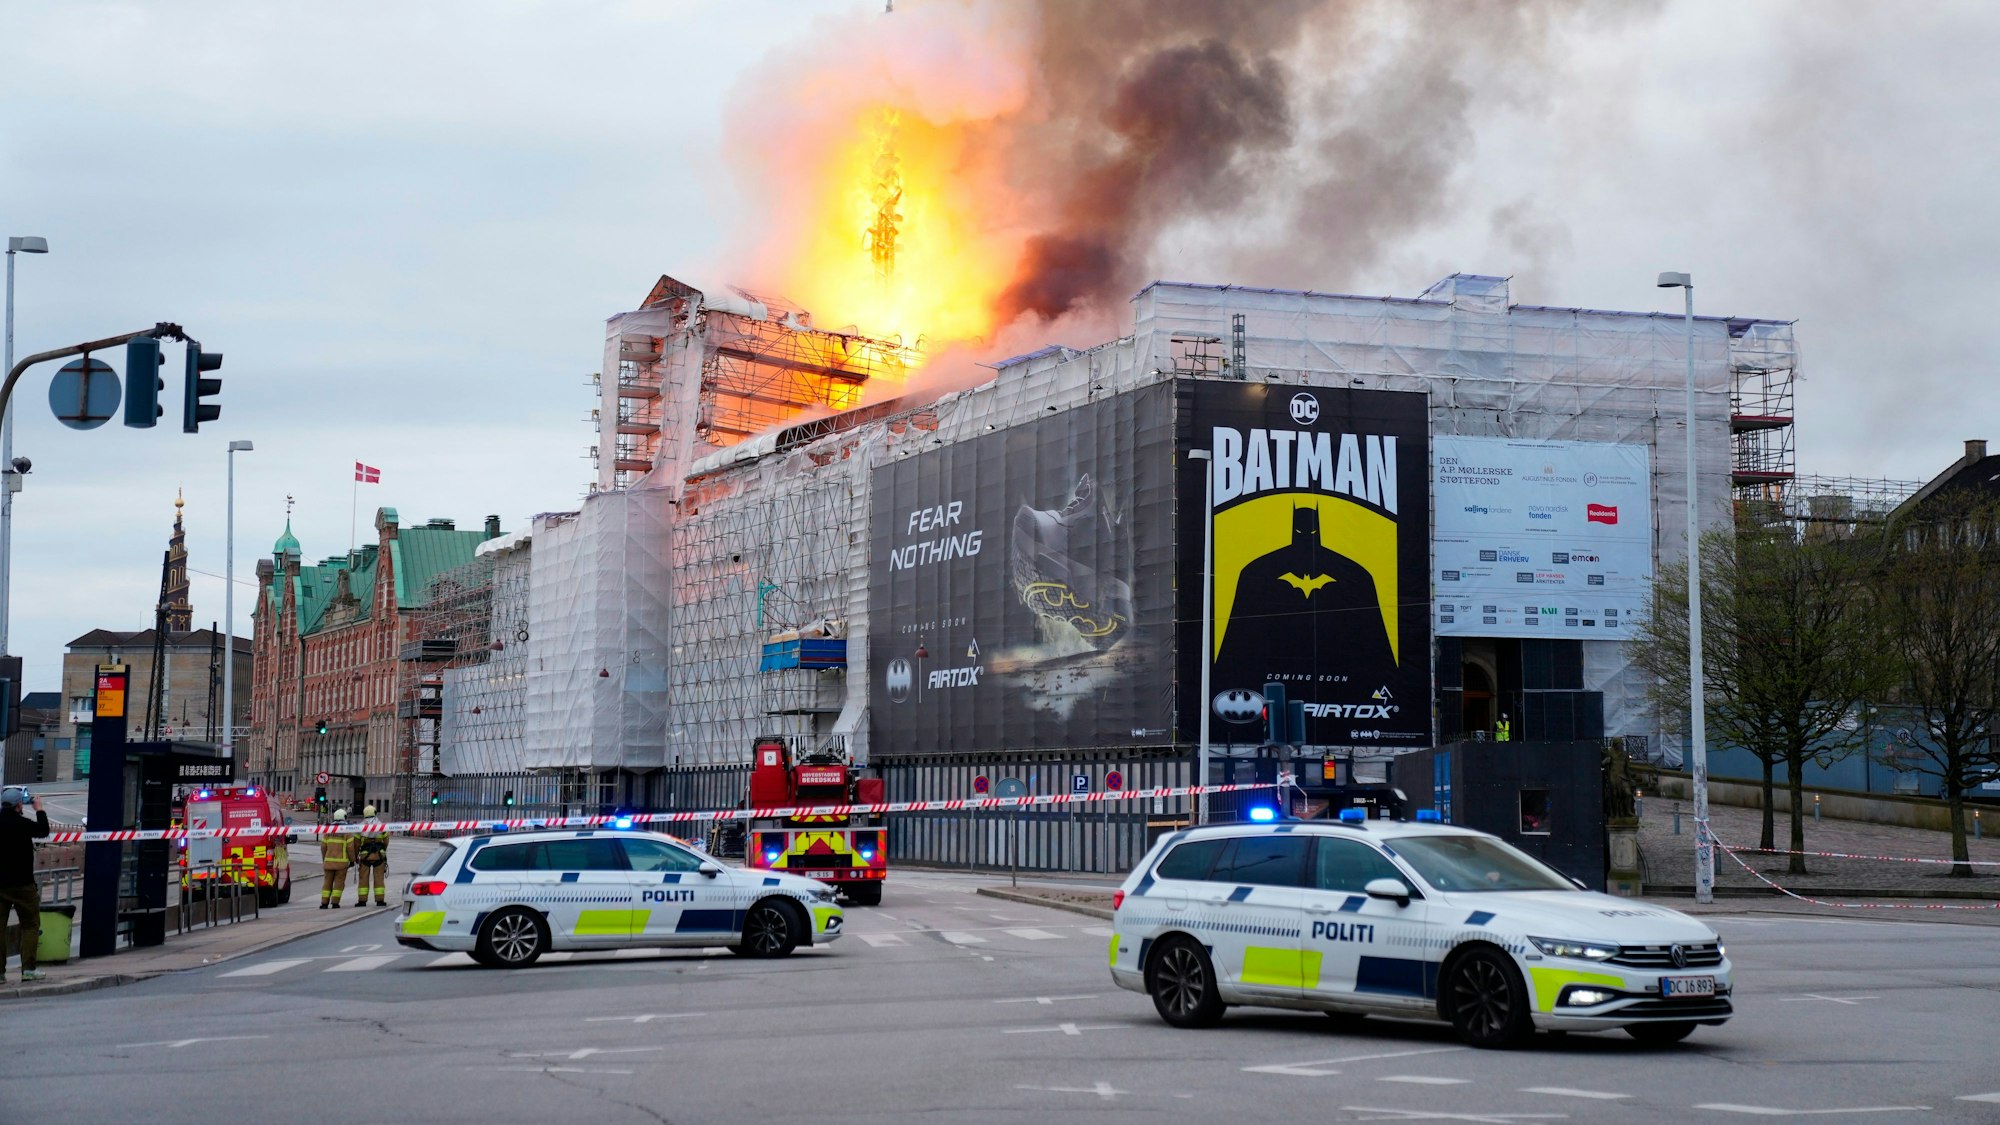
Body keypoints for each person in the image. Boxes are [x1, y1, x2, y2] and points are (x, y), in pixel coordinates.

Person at [1, 787, 52, 982]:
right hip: (23, 884)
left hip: (0, 885)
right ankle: (29, 970)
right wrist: (39, 809)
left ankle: (0, 973)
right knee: (30, 925)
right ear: (19, 806)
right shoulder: (23, 824)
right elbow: (43, 830)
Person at [353, 806, 390, 908]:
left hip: (365, 856)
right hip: (379, 856)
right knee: (379, 878)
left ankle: (362, 901)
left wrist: (356, 857)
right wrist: (383, 851)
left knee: (363, 878)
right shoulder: (381, 826)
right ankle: (380, 901)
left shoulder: (360, 827)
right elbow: (386, 841)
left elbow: (356, 844)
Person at [320, 810, 353, 909]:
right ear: (344, 817)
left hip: (328, 862)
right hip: (341, 864)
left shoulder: (328, 831)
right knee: (339, 883)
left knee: (327, 883)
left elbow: (323, 847)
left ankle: (324, 903)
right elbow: (350, 848)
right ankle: (335, 902)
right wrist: (352, 860)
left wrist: (325, 859)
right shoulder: (347, 831)